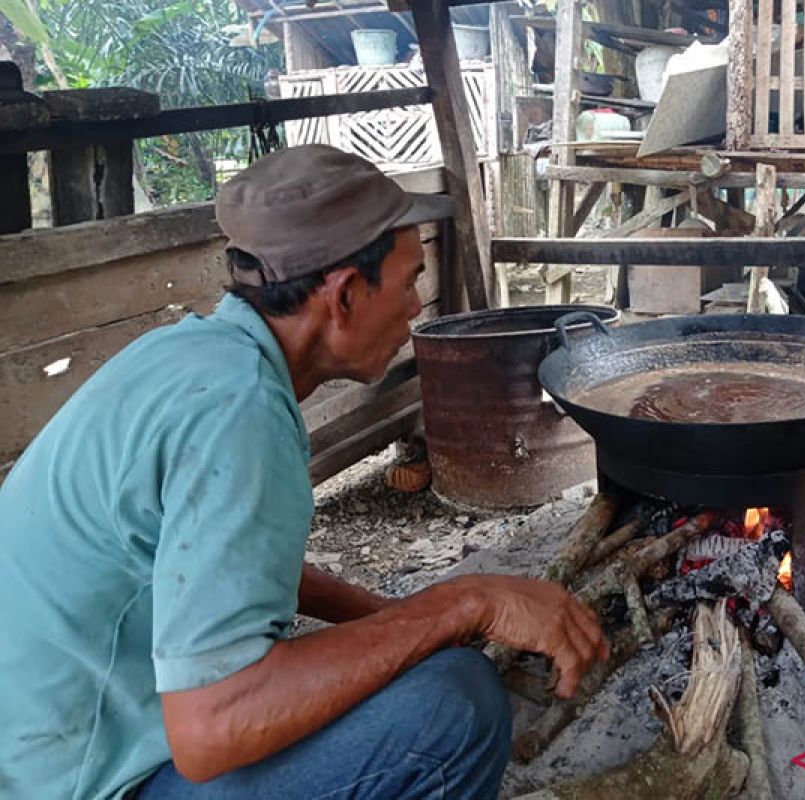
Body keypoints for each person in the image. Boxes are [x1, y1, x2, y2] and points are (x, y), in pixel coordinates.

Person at [0, 145, 609, 800]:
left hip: (42, 748)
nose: (414, 308)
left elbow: (234, 565)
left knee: (431, 659)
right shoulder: (239, 412)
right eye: (409, 283)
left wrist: (406, 621)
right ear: (344, 295)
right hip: (86, 780)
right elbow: (212, 729)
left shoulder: (195, 357)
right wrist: (464, 601)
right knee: (453, 709)